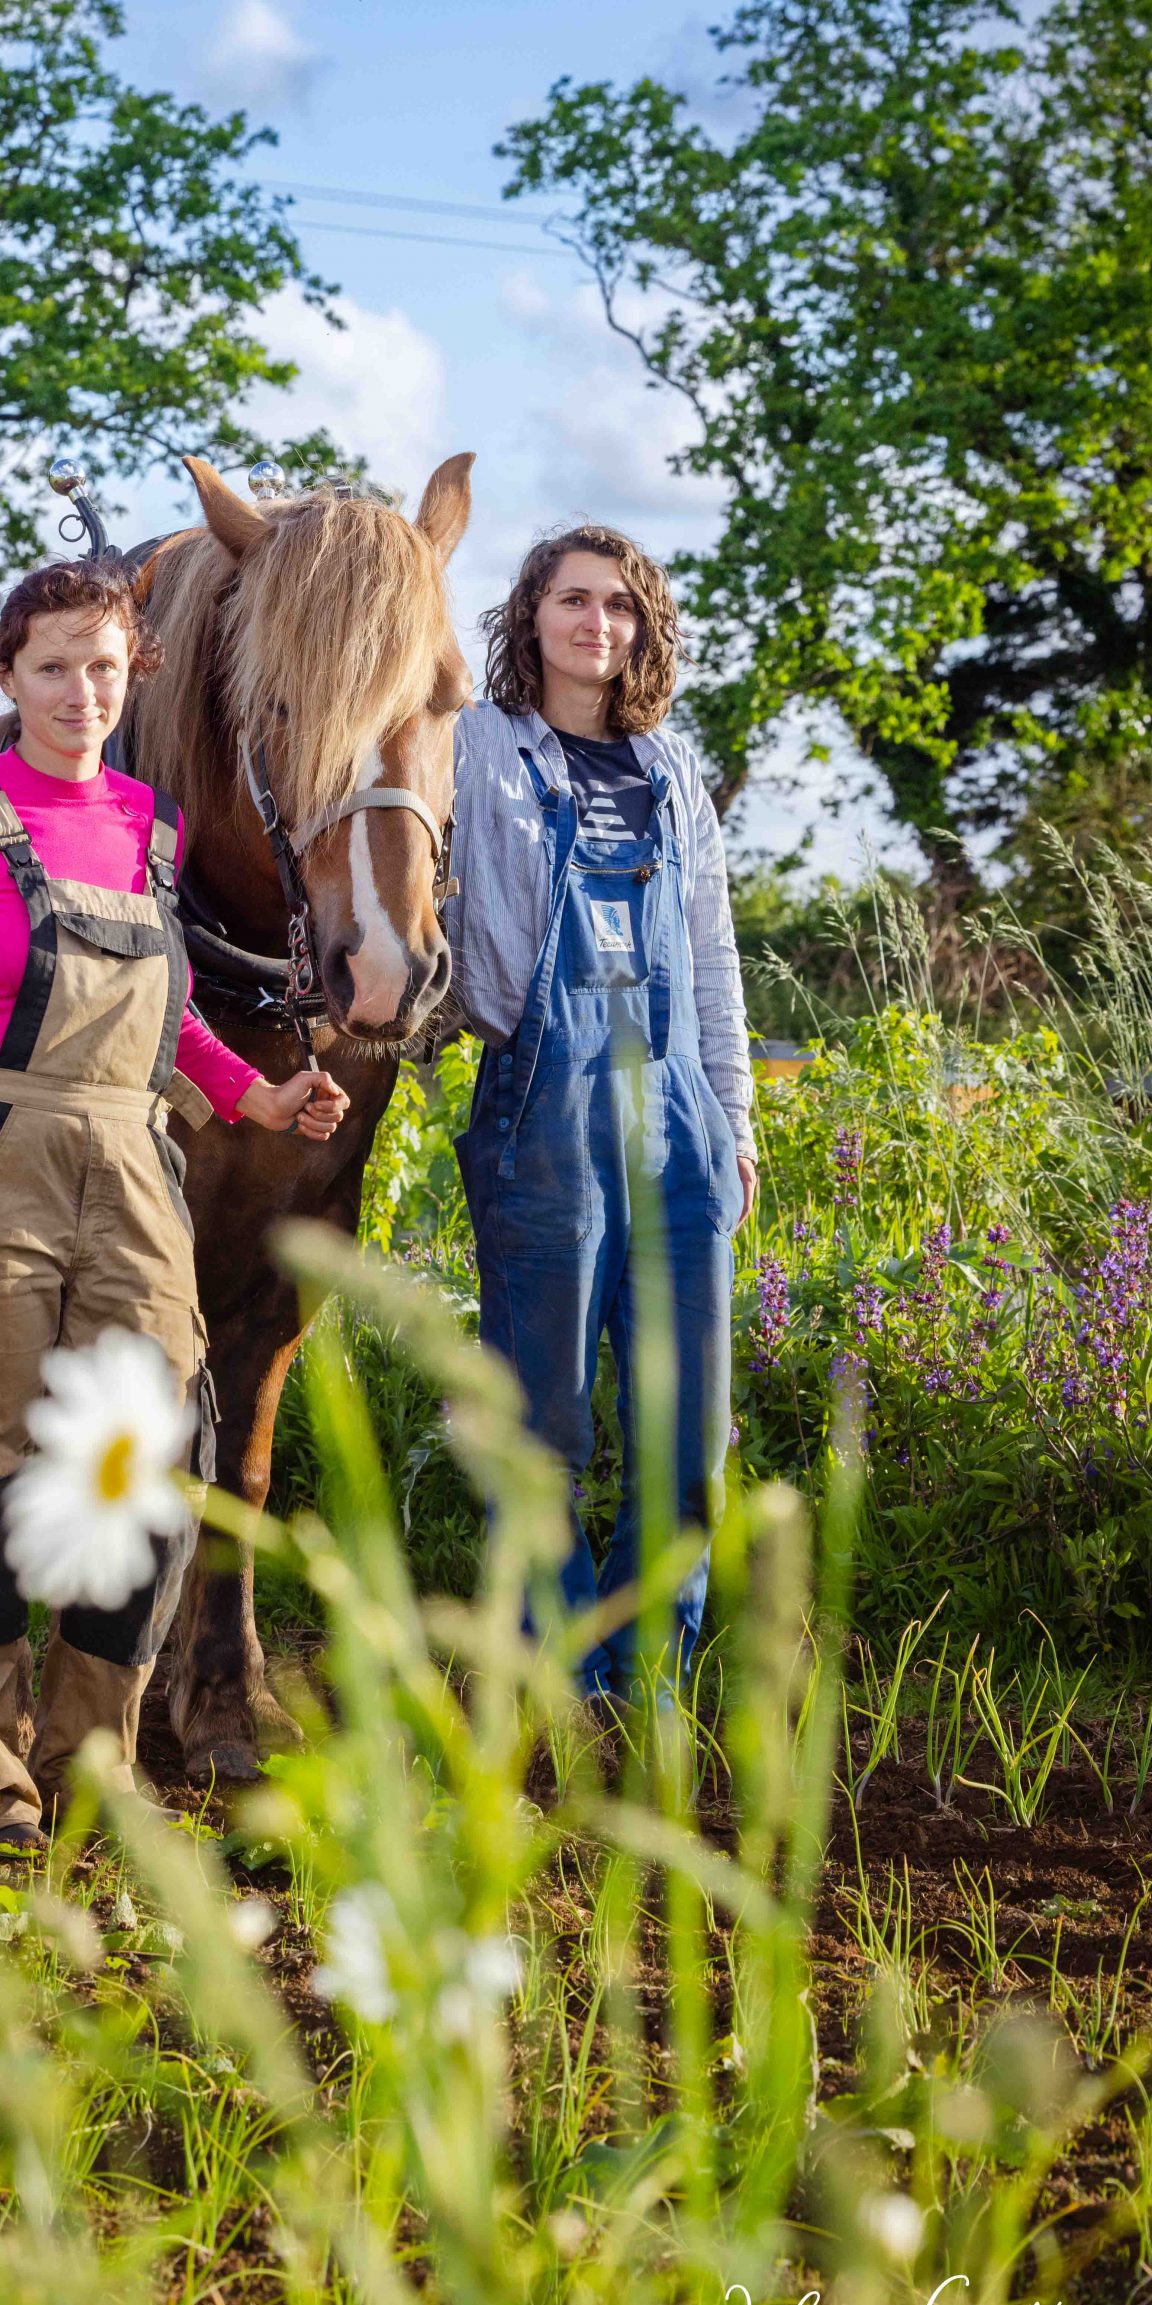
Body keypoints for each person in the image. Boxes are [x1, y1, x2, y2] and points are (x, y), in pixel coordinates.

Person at [0, 553, 349, 1853]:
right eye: (53, 665)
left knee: (136, 1468)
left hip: (131, 1174)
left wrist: (259, 1099)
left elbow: (167, 1016)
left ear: (134, 679)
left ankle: (94, 1758)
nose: (81, 690)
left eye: (103, 667)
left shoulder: (152, 826)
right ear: (8, 677)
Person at [444, 524, 756, 1709]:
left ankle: (647, 1687)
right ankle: (558, 1680)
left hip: (676, 1115)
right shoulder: (478, 748)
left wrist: (734, 1120)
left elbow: (714, 956)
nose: (598, 624)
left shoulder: (670, 768)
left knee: (689, 1433)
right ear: (529, 617)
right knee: (545, 1429)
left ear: (644, 626)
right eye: (573, 600)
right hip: (545, 1107)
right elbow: (429, 902)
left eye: (621, 605)